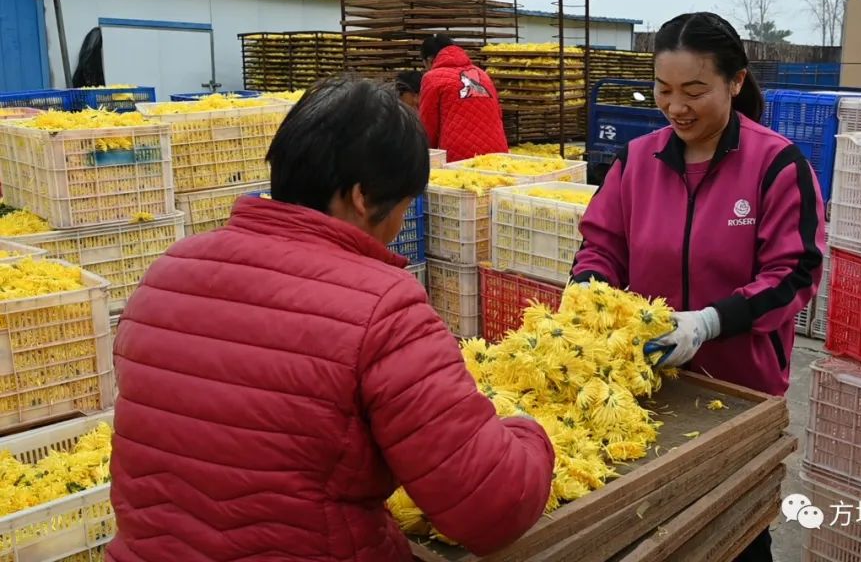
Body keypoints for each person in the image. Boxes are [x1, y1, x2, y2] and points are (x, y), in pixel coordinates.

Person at [106, 74, 555, 562]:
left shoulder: (167, 272)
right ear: (363, 198)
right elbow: (491, 509)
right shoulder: (383, 307)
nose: (399, 223)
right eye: (404, 205)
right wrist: (530, 434)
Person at [568, 12, 825, 561]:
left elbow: (794, 273)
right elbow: (602, 245)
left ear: (735, 81)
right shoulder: (638, 160)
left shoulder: (776, 165)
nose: (676, 106)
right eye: (663, 91)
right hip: (646, 385)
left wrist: (708, 323)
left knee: (735, 529)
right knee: (657, 531)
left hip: (741, 392)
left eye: (693, 91)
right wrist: (590, 291)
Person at [418, 34, 509, 162]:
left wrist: (426, 155)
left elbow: (428, 124)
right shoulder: (482, 74)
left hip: (460, 156)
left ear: (430, 60)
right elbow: (498, 113)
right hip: (498, 152)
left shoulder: (432, 78)